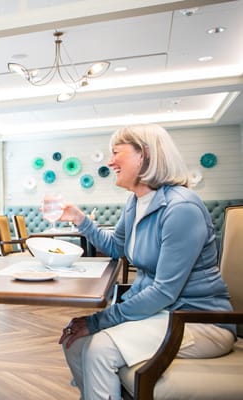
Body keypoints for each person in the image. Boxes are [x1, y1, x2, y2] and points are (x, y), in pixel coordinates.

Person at [57, 124, 236, 400]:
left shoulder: (181, 208)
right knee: (75, 341)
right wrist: (81, 220)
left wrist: (101, 320)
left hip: (198, 322)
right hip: (163, 314)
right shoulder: (136, 201)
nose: (110, 161)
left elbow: (165, 291)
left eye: (117, 152)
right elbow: (116, 247)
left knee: (99, 349)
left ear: (145, 155)